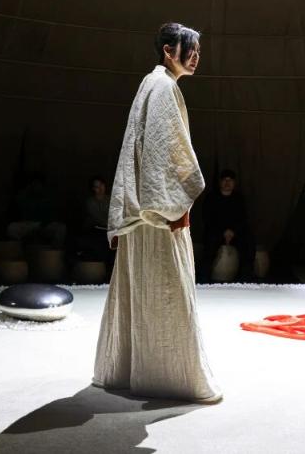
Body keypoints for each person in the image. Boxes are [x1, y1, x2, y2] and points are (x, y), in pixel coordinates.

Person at [93, 22, 220, 402]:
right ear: (168, 50)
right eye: (190, 49)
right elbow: (162, 152)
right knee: (166, 291)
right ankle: (171, 378)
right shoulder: (163, 86)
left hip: (143, 211)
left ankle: (132, 370)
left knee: (143, 291)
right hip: (156, 214)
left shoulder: (152, 83)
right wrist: (170, 206)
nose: (196, 57)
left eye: (198, 51)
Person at [202, 169, 251, 282]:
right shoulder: (211, 197)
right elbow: (208, 218)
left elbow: (243, 219)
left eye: (230, 180)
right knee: (210, 243)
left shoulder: (239, 198)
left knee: (248, 241)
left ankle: (246, 278)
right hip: (216, 231)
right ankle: (204, 279)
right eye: (225, 180)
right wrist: (223, 232)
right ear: (220, 182)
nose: (227, 183)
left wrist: (233, 232)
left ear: (234, 183)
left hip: (235, 233)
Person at [7, 172, 66, 249]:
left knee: (62, 228)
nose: (36, 186)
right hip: (28, 225)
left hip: (44, 225)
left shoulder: (48, 198)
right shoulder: (24, 197)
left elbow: (52, 216)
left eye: (38, 184)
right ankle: (20, 248)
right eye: (34, 184)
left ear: (42, 185)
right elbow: (19, 203)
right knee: (11, 228)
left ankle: (52, 251)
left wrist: (44, 224)